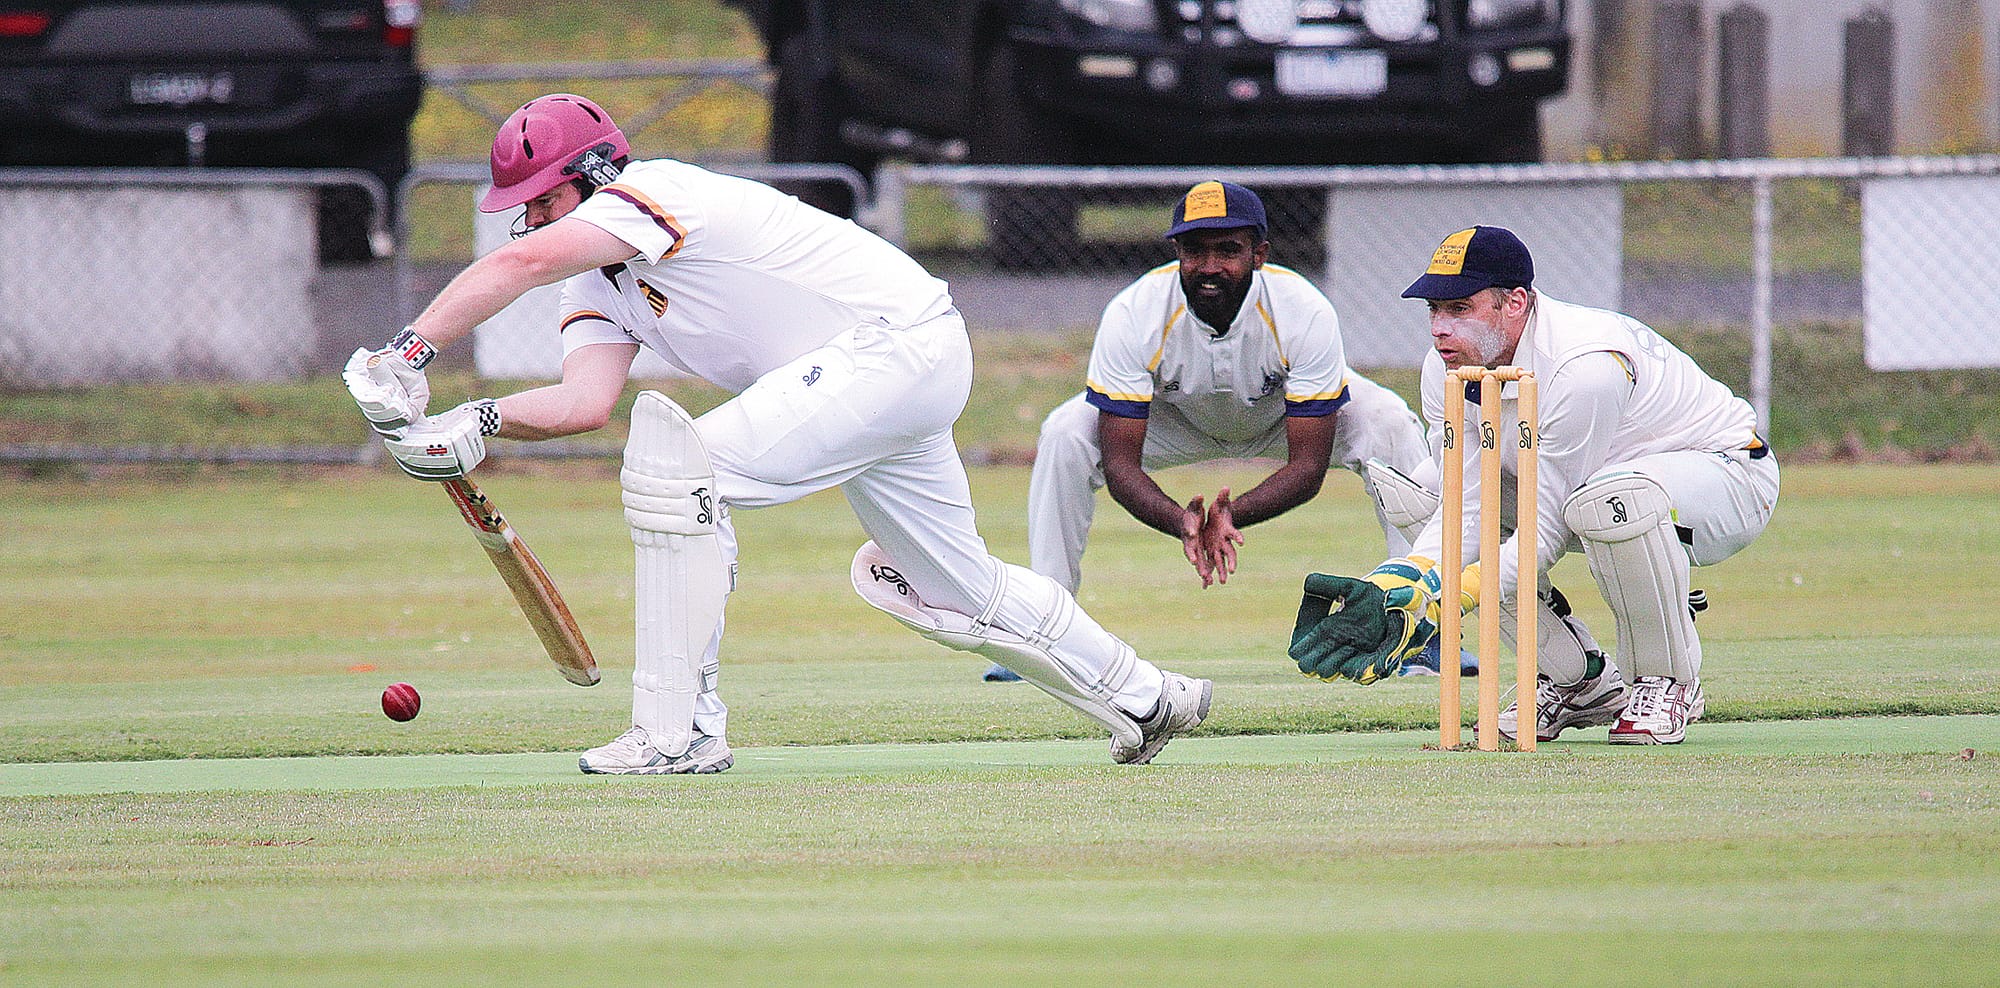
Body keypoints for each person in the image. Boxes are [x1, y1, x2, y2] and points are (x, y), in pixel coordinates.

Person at [341, 93, 1212, 773]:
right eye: (521, 207)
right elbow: (582, 403)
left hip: (894, 344)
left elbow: (516, 264)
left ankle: (677, 731)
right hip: (876, 375)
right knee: (957, 590)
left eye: (544, 199)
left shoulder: (658, 193)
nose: (532, 221)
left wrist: (405, 356)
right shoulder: (595, 285)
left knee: (683, 476)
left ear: (600, 173)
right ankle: (1149, 697)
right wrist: (476, 423)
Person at [1288, 226, 1778, 745]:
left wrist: (1452, 598)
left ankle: (1667, 679)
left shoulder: (1582, 369)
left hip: (1725, 475)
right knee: (1426, 499)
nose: (1439, 328)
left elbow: (1543, 525)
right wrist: (1401, 587)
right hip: (1593, 487)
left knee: (1611, 498)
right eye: (1434, 309)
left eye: (1459, 309)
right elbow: (1468, 504)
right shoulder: (1446, 369)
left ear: (1515, 303)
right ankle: (1579, 680)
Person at [983, 180, 1437, 683]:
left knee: (1389, 420)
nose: (1210, 266)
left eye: (1229, 250)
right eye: (1195, 250)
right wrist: (1183, 521)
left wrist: (1231, 512)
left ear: (1259, 255)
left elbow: (1307, 468)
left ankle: (1415, 628)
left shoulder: (1303, 311)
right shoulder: (1134, 312)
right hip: (1173, 421)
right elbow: (1120, 465)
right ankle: (1047, 634)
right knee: (1066, 430)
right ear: (1177, 252)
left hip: (1279, 421)